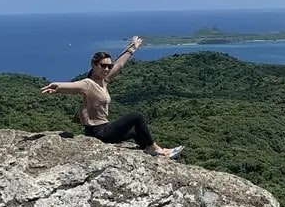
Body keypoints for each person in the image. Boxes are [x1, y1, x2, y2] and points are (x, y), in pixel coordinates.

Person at [40, 36, 182, 158]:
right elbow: (73, 86)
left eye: (109, 66)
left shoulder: (104, 81)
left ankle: (152, 149)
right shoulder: (88, 84)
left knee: (137, 129)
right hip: (97, 132)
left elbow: (119, 64)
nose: (107, 69)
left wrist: (132, 48)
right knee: (137, 116)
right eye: (103, 66)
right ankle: (155, 149)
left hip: (105, 128)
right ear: (94, 65)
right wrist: (56, 87)